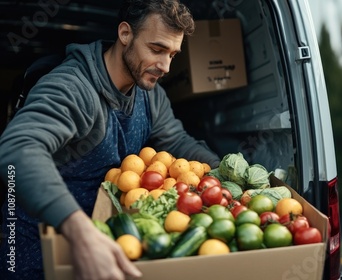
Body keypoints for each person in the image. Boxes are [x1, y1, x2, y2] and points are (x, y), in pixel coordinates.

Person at [0, 0, 220, 279]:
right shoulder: (73, 87)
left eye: (173, 55)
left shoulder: (150, 94)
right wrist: (80, 231)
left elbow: (175, 141)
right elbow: (17, 149)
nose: (165, 66)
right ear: (125, 34)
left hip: (105, 237)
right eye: (157, 49)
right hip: (41, 241)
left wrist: (223, 172)